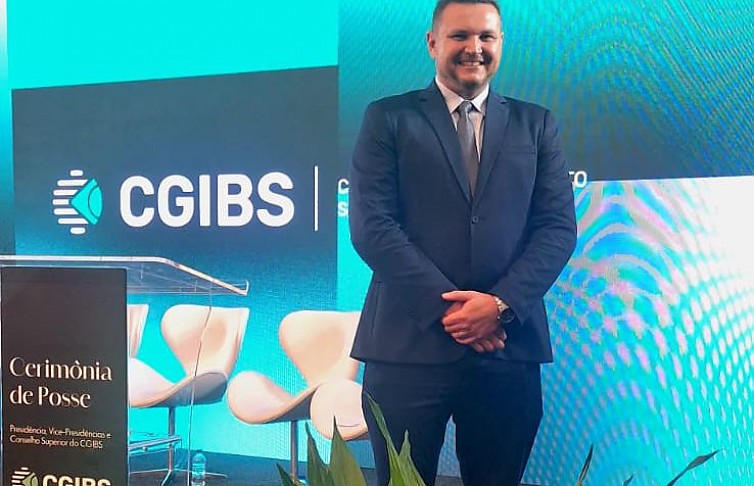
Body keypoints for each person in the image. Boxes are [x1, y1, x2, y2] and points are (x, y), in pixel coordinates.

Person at [348, 0, 577, 485]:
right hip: (407, 347)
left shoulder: (536, 124)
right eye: (459, 36)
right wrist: (453, 311)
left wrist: (499, 305)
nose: (474, 48)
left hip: (506, 347)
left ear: (500, 44)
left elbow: (557, 228)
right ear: (433, 43)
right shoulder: (388, 118)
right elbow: (373, 226)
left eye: (486, 37)